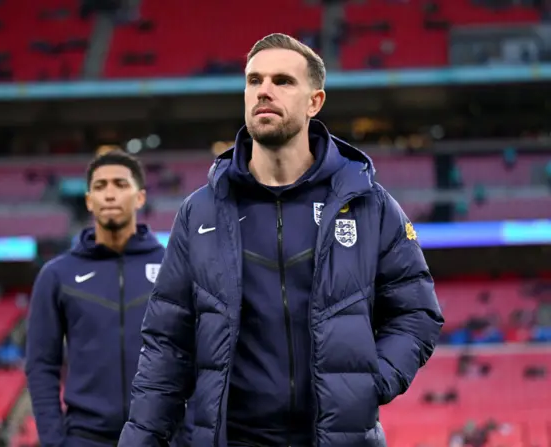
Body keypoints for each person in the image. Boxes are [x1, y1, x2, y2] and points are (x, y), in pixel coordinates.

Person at [119, 34, 444, 447]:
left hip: (334, 438)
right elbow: (167, 343)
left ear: (315, 102)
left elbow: (416, 313)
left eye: (282, 81)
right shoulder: (200, 212)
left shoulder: (368, 205)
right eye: (254, 81)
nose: (264, 91)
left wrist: (369, 383)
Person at [26, 150, 191, 447]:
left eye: (120, 184)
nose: (110, 194)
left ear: (140, 197)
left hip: (163, 437)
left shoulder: (175, 267)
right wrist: (54, 441)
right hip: (85, 438)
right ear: (89, 201)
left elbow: (200, 354)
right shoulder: (57, 275)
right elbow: (41, 365)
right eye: (100, 187)